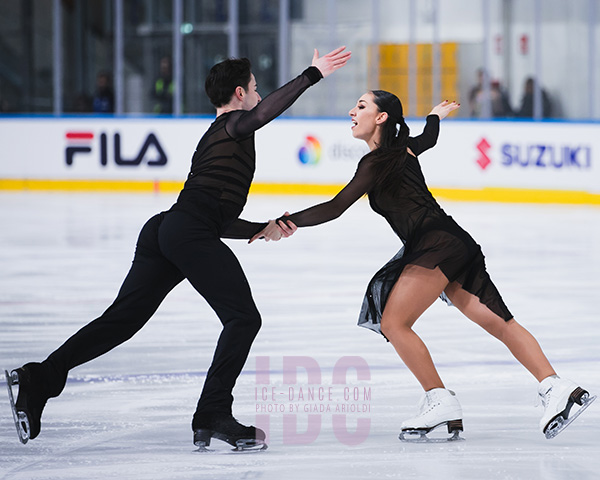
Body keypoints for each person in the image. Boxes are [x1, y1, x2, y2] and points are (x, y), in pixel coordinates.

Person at [6, 46, 351, 450]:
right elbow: (262, 116)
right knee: (243, 319)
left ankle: (39, 377)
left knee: (122, 319)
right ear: (239, 93)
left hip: (169, 229)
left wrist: (263, 228)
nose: (259, 95)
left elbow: (216, 218)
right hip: (185, 231)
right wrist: (313, 73)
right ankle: (212, 413)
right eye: (255, 88)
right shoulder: (235, 124)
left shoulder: (217, 137)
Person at [255, 92, 593, 441]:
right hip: (454, 242)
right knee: (500, 323)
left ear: (381, 117)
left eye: (360, 107)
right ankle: (557, 388)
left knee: (394, 323)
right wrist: (434, 115)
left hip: (435, 245)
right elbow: (428, 137)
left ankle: (440, 399)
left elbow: (336, 207)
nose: (351, 112)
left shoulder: (376, 162)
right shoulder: (405, 150)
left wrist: (282, 223)